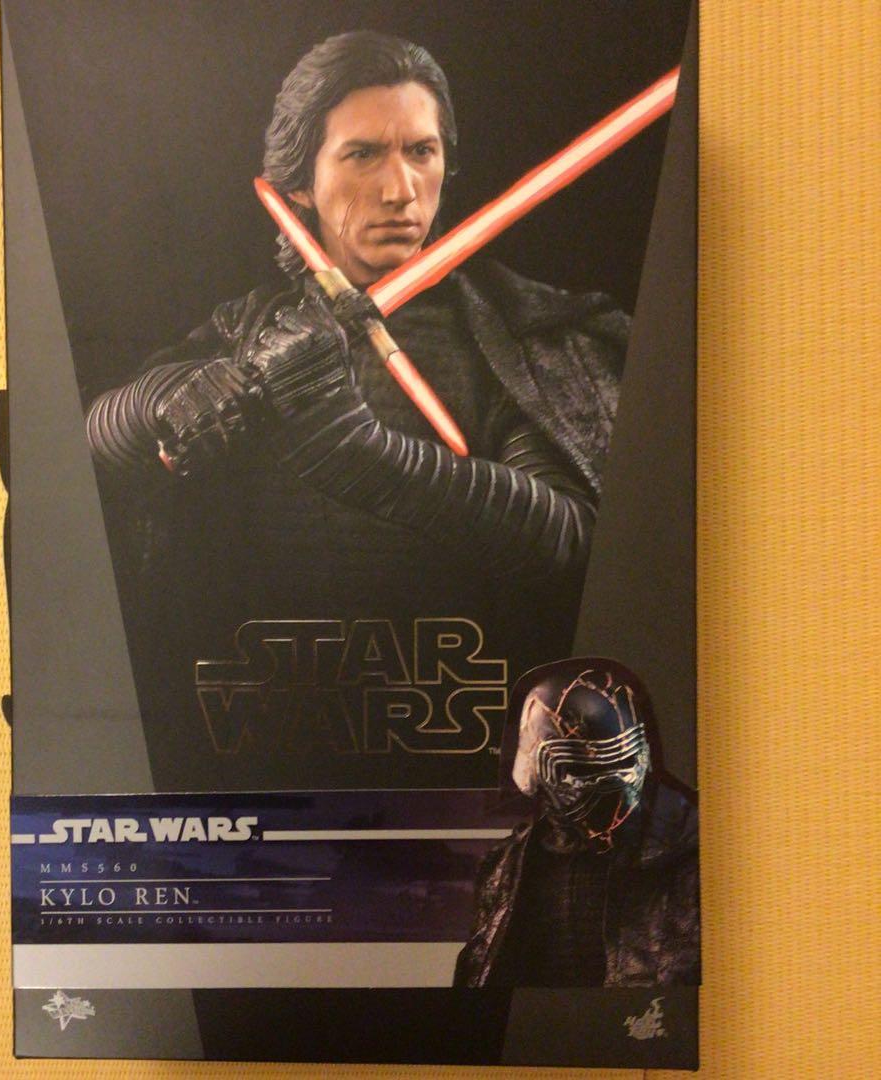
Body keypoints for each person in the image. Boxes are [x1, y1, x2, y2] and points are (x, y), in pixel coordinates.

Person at [84, 32, 630, 783]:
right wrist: (158, 401)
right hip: (262, 753)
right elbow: (83, 466)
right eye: (363, 154)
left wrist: (364, 455)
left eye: (422, 152)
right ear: (299, 184)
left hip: (472, 754)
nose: (400, 189)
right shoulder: (246, 332)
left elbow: (571, 542)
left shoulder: (517, 337)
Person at [453, 657, 700, 987]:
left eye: (624, 762)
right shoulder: (504, 869)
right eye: (583, 769)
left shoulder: (691, 857)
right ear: (535, 767)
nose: (611, 785)